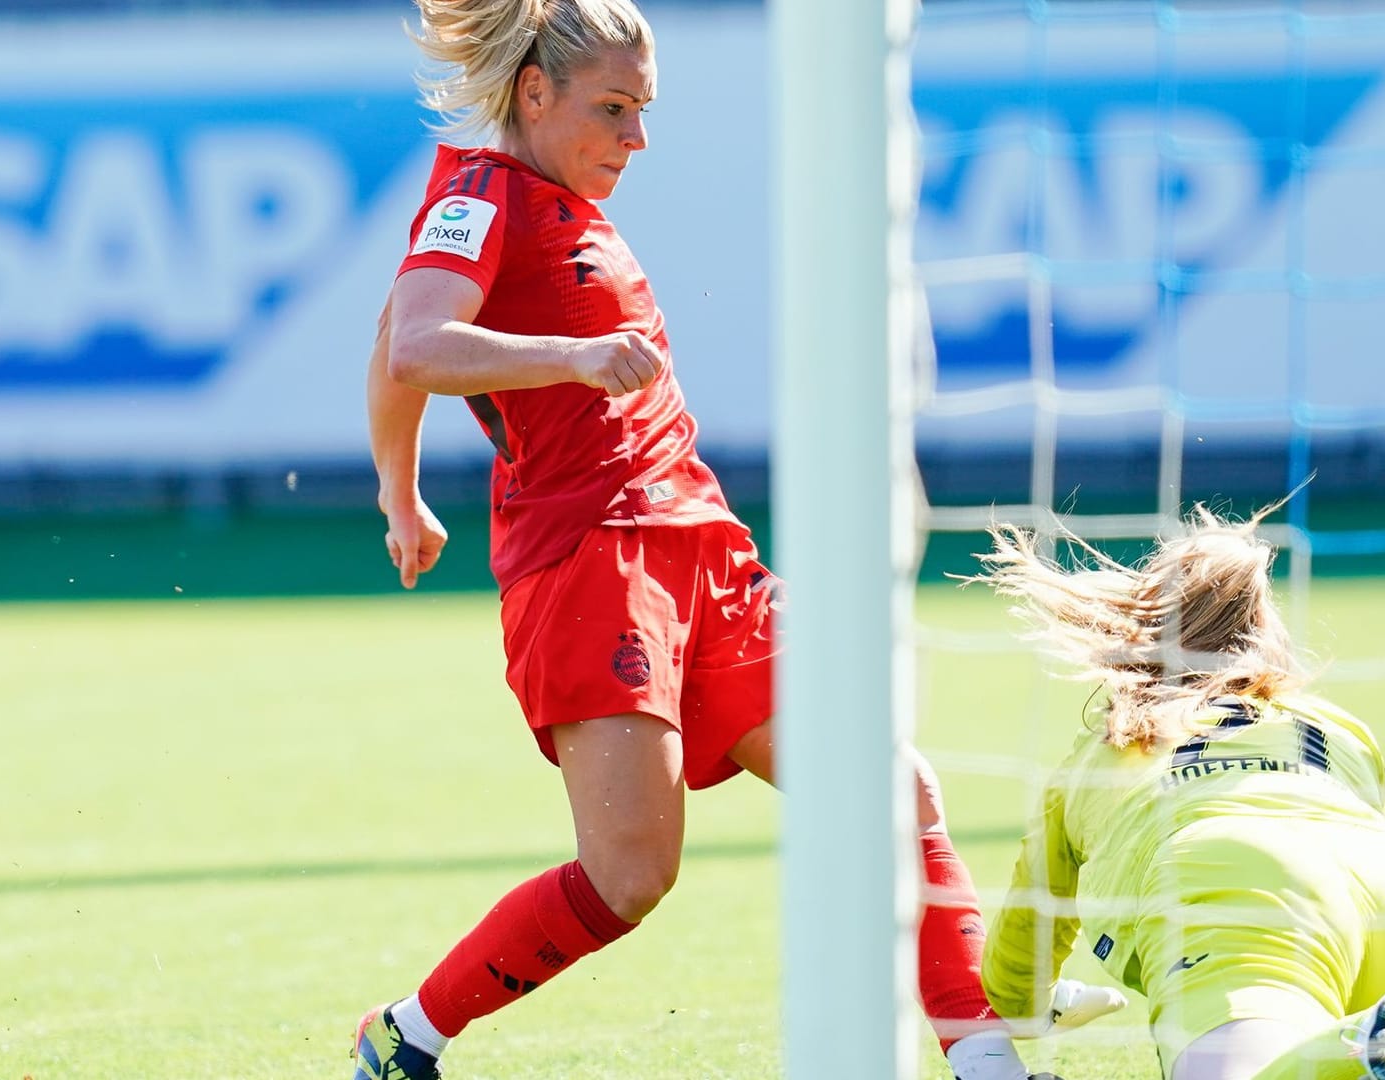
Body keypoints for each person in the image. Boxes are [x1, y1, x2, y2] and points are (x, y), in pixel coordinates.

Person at [353, 2, 1049, 1077]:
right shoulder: (481, 194)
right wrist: (565, 367)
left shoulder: (560, 204)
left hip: (703, 549)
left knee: (889, 788)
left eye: (644, 111)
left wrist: (402, 495)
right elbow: (413, 342)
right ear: (534, 95)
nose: (637, 138)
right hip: (593, 564)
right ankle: (409, 1033)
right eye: (614, 109)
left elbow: (397, 347)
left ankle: (988, 1061)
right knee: (631, 875)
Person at [967, 508, 1385, 1080]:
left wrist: (1022, 1010)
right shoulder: (1336, 726)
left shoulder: (1110, 745)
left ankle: (1360, 1051)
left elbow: (1021, 960)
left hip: (1239, 885)